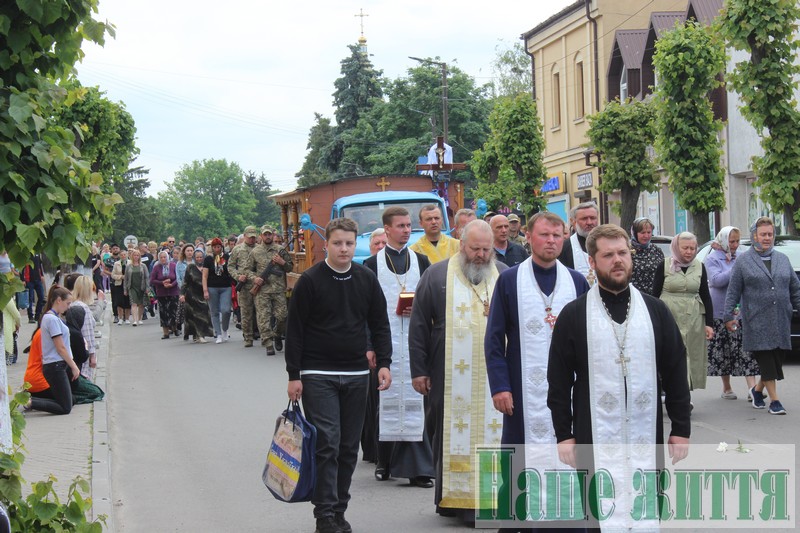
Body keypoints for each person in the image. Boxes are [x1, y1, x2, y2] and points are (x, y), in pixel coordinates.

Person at [547, 224, 691, 530]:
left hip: (644, 430)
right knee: (597, 512)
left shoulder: (655, 311)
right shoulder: (574, 315)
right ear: (592, 261)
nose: (618, 260)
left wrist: (681, 428)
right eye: (608, 254)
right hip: (591, 430)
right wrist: (564, 434)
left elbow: (676, 370)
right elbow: (558, 380)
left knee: (645, 504)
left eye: (623, 253)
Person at [286, 217, 392, 533]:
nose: (343, 249)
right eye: (337, 243)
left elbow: (379, 323)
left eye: (348, 243)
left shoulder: (365, 279)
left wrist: (384, 362)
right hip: (318, 373)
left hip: (358, 373)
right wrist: (294, 374)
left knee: (348, 447)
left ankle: (339, 510)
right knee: (327, 443)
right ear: (326, 245)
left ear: (354, 243)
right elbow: (295, 331)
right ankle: (324, 515)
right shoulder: (310, 281)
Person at [484, 212, 589, 529]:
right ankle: (514, 519)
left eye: (557, 235)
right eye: (544, 235)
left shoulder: (577, 280)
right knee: (516, 455)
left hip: (567, 391)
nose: (551, 241)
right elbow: (493, 339)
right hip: (520, 388)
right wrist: (500, 386)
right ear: (528, 237)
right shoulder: (509, 279)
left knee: (569, 455)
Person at [408, 220, 507, 522]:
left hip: (495, 376)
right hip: (447, 372)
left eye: (485, 250)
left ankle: (493, 500)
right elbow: (419, 325)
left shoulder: (504, 276)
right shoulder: (437, 275)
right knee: (447, 433)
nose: (480, 255)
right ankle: (454, 500)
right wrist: (419, 370)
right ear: (462, 244)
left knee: (498, 436)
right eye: (474, 248)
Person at [363, 206, 435, 488]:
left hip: (417, 342)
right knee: (386, 401)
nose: (406, 230)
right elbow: (365, 311)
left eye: (408, 225)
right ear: (388, 229)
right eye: (401, 226)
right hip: (386, 343)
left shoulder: (421, 261)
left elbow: (431, 302)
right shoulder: (371, 265)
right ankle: (385, 459)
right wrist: (369, 345)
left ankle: (419, 468)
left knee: (417, 402)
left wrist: (419, 306)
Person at [724, 217, 800, 415]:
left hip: (781, 318)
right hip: (756, 319)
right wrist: (728, 316)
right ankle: (775, 402)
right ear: (754, 236)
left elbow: (795, 288)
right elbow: (733, 291)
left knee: (776, 359)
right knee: (766, 360)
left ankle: (757, 391)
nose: (767, 238)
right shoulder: (743, 261)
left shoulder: (782, 259)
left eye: (770, 234)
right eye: (763, 234)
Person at [653, 232, 714, 393]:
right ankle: (671, 390)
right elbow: (654, 295)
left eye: (692, 248)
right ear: (676, 247)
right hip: (670, 316)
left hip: (694, 317)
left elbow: (706, 295)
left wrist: (709, 324)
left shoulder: (700, 266)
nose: (689, 252)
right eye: (685, 248)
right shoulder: (664, 265)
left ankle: (685, 394)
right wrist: (654, 321)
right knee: (672, 355)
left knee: (691, 355)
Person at [705, 226, 758, 400]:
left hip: (740, 309)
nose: (735, 245)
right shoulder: (712, 258)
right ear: (723, 240)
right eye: (731, 241)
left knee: (745, 350)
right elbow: (716, 280)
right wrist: (736, 270)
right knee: (723, 350)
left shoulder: (741, 257)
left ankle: (752, 388)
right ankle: (726, 387)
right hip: (720, 311)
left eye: (737, 241)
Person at [28, 287, 80, 415]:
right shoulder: (51, 319)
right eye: (67, 303)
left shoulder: (52, 318)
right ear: (58, 300)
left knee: (68, 401)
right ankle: (31, 402)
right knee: (65, 407)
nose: (68, 307)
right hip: (55, 365)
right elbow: (60, 347)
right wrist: (74, 366)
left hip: (56, 365)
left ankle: (31, 401)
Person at [361, 227, 389, 463]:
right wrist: (369, 345)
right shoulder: (367, 267)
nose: (380, 247)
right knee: (370, 398)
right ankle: (372, 448)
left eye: (383, 243)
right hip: (370, 342)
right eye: (376, 244)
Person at [245, 226, 293, 355]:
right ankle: (268, 343)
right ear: (261, 235)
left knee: (283, 316)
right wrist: (255, 278)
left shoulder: (280, 250)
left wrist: (282, 262)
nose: (267, 237)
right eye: (265, 234)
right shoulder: (255, 252)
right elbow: (247, 269)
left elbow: (290, 268)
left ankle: (277, 334)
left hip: (278, 289)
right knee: (263, 318)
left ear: (273, 235)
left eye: (269, 234)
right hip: (262, 290)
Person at [228, 226, 259, 347]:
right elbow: (230, 266)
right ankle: (248, 337)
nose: (252, 239)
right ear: (245, 236)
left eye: (253, 237)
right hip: (244, 285)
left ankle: (264, 335)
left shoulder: (259, 249)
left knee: (261, 312)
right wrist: (237, 276)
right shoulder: (238, 249)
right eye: (250, 237)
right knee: (246, 313)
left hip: (258, 285)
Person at [557, 201, 600, 285]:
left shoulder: (607, 244)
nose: (589, 222)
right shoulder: (564, 247)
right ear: (573, 221)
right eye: (584, 219)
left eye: (592, 218)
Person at [201, 238, 233, 344]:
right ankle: (218, 334)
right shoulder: (208, 259)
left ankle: (224, 329)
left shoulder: (227, 257)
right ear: (212, 248)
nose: (216, 249)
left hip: (226, 286)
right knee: (214, 312)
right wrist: (205, 290)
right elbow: (204, 276)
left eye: (218, 246)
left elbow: (231, 270)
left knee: (226, 310)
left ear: (221, 247)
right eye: (214, 247)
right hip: (212, 287)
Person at [68, 276, 99, 378]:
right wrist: (92, 355)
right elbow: (88, 333)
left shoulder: (72, 305)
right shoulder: (83, 308)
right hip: (83, 351)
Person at [181, 248, 213, 343]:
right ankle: (198, 335)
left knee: (203, 315)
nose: (199, 259)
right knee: (194, 316)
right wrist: (182, 294)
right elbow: (185, 282)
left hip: (203, 294)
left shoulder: (206, 267)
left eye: (201, 257)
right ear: (194, 258)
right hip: (192, 295)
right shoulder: (190, 267)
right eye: (197, 257)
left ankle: (201, 334)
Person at [629, 216, 665, 296]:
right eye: (642, 233)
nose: (646, 236)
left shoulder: (656, 250)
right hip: (634, 296)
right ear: (635, 233)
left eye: (649, 232)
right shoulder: (627, 250)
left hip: (654, 297)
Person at [150, 250, 180, 340]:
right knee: (164, 313)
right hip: (161, 293)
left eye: (164, 257)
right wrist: (161, 282)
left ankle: (175, 328)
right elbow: (152, 280)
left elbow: (178, 278)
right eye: (161, 257)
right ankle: (165, 332)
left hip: (173, 292)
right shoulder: (156, 267)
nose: (163, 259)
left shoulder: (174, 266)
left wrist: (172, 284)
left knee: (174, 311)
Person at [124, 250, 150, 326]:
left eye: (137, 255)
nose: (136, 257)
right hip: (132, 287)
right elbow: (126, 278)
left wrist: (147, 287)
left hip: (141, 286)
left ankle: (139, 318)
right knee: (134, 303)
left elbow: (147, 277)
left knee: (141, 304)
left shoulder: (143, 266)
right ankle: (135, 320)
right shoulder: (128, 266)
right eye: (134, 255)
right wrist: (125, 289)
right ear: (132, 256)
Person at [175, 244, 194, 339]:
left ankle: (195, 332)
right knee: (186, 311)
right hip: (185, 290)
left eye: (191, 250)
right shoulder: (180, 264)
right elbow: (178, 278)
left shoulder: (197, 262)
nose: (190, 252)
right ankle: (186, 330)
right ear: (184, 252)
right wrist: (182, 290)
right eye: (188, 251)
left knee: (194, 312)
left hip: (195, 290)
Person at [22, 253, 46, 324]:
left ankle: (37, 315)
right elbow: (22, 267)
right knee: (30, 299)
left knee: (41, 297)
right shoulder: (26, 254)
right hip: (29, 280)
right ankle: (30, 316)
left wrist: (41, 275)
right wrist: (23, 279)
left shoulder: (37, 254)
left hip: (38, 279)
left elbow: (40, 265)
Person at [111, 250, 131, 324]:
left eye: (124, 254)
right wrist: (121, 277)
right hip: (119, 284)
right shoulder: (116, 264)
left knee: (127, 301)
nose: (123, 256)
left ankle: (127, 318)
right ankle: (120, 318)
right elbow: (113, 275)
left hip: (128, 284)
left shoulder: (130, 263)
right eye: (122, 255)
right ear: (120, 256)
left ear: (127, 255)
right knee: (119, 302)